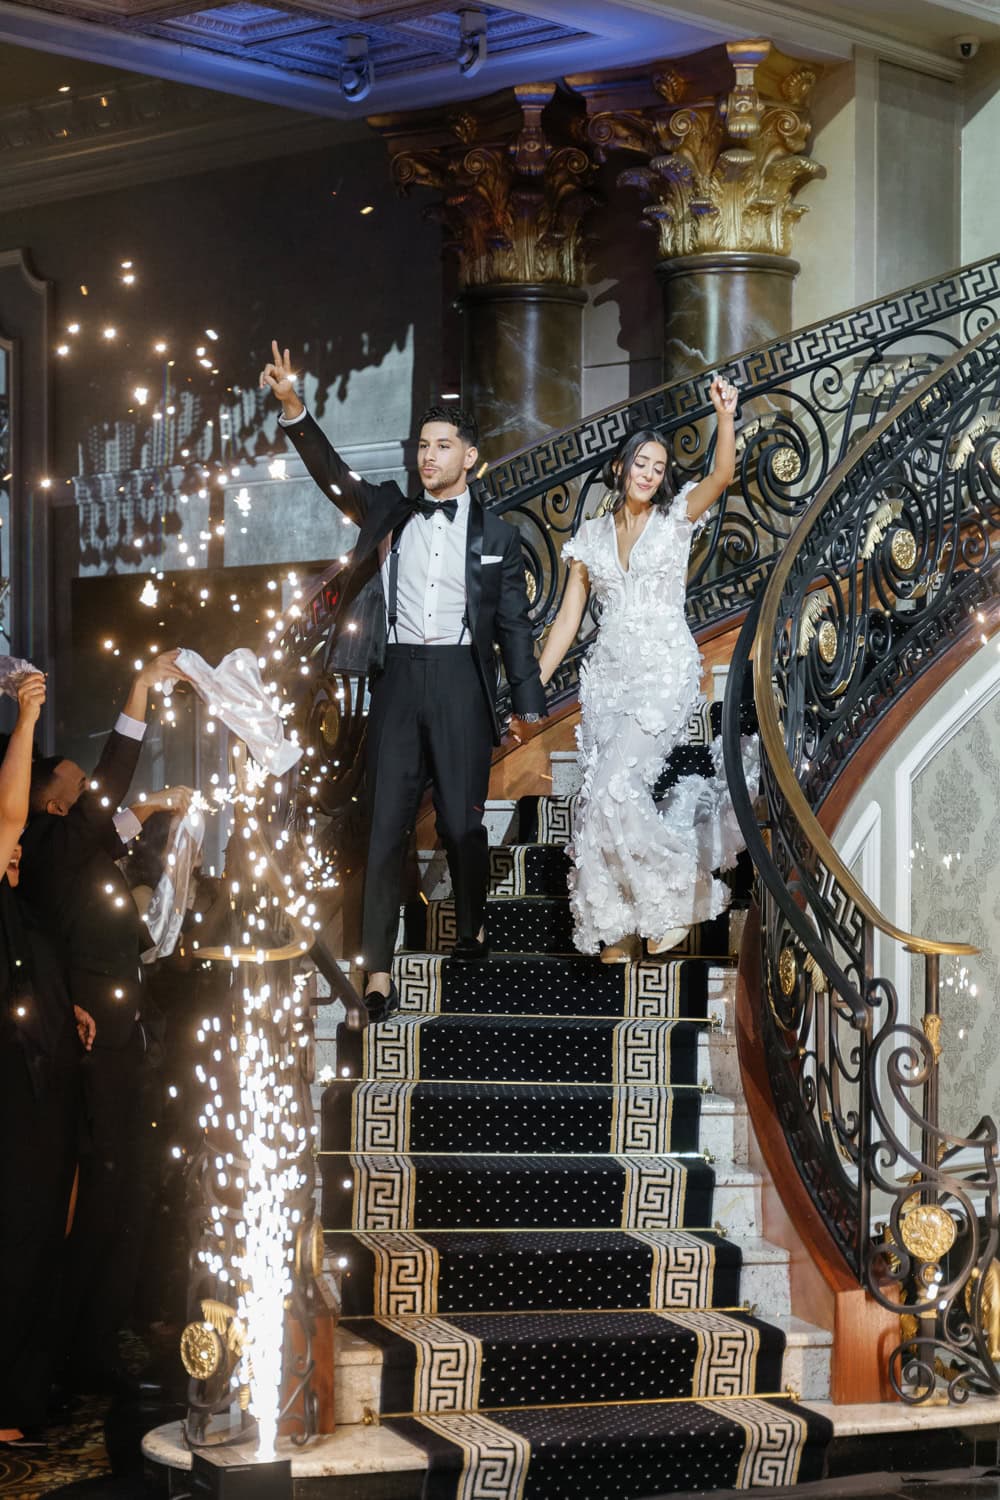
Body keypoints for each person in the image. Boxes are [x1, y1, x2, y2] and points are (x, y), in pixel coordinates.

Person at [259, 342, 546, 1018]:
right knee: (384, 826)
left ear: (469, 457)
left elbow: (514, 627)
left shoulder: (499, 537)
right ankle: (377, 973)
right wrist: (296, 407)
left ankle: (471, 925)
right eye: (423, 445)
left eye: (442, 446)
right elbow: (333, 477)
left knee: (459, 823)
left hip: (458, 682)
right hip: (396, 680)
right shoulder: (390, 510)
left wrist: (529, 702)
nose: (428, 456)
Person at [18, 653, 190, 1392]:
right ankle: (81, 1353)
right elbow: (111, 791)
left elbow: (118, 818)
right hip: (94, 1050)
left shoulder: (71, 846)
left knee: (124, 1194)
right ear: (47, 798)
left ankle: (94, 1345)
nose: (83, 785)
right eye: (69, 782)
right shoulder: (52, 845)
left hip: (122, 1033)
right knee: (104, 1197)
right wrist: (142, 691)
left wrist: (154, 810)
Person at [538, 377, 753, 962]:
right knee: (592, 800)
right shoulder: (589, 538)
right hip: (607, 682)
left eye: (659, 467)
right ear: (620, 465)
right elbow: (565, 623)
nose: (650, 474)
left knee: (615, 787)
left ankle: (678, 896)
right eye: (642, 462)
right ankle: (622, 923)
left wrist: (725, 417)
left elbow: (722, 477)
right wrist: (529, 688)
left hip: (662, 674)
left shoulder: (677, 518)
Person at [0, 671, 96, 1448]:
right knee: (22, 1229)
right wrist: (27, 717)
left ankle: (24, 1397)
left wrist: (66, 1007)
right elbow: (9, 816)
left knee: (40, 1229)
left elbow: (34, 958)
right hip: (12, 1081)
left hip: (39, 1069)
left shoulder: (18, 902)